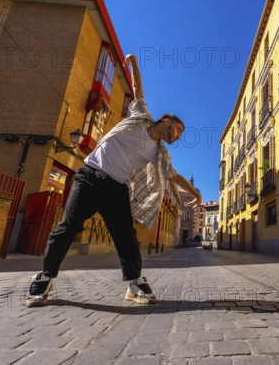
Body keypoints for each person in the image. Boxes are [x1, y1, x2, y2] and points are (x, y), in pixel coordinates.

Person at [25, 55, 201, 307]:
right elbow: (138, 90)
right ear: (167, 122)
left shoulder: (159, 153)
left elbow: (175, 175)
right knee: (68, 227)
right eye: (178, 131)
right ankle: (44, 278)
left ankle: (135, 283)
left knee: (125, 236)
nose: (178, 137)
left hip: (115, 187)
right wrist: (135, 65)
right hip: (89, 177)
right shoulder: (141, 117)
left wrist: (195, 193)